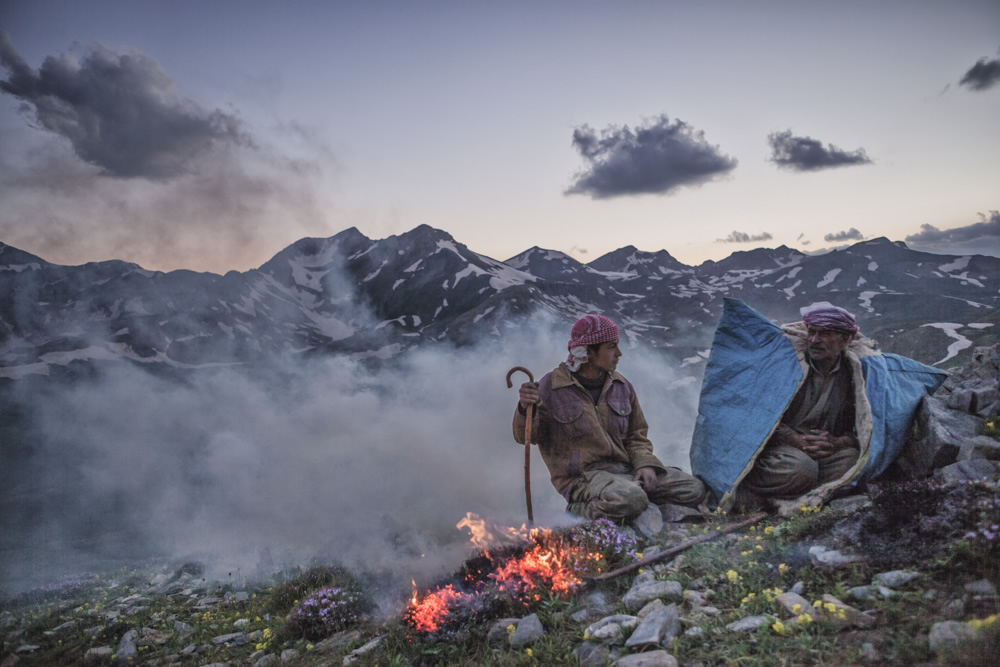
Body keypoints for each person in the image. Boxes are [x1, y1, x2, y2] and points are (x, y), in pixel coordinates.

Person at [513, 313, 708, 522]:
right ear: (588, 352)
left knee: (694, 489)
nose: (619, 353)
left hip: (626, 472)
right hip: (584, 479)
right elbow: (526, 437)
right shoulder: (551, 387)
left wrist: (644, 464)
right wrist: (525, 408)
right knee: (631, 498)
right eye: (611, 347)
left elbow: (636, 435)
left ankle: (630, 502)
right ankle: (578, 513)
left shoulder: (621, 386)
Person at [738, 304, 861, 501]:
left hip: (819, 450)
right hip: (779, 447)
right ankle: (754, 491)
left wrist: (836, 443)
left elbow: (862, 426)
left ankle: (790, 494)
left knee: (852, 460)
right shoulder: (789, 366)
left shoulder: (853, 375)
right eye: (811, 332)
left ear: (844, 340)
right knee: (801, 469)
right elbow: (759, 417)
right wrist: (793, 438)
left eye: (825, 334)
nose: (814, 340)